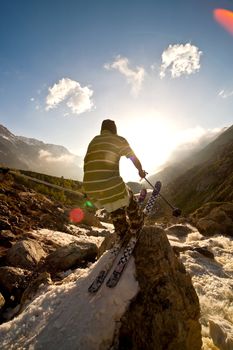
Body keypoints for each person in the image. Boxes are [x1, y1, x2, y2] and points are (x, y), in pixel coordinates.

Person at [83, 119, 146, 240]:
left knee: (112, 201)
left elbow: (87, 163)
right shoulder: (118, 140)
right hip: (110, 186)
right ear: (114, 130)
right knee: (125, 193)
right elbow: (132, 157)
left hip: (90, 188)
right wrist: (140, 171)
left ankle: (121, 231)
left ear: (102, 130)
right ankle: (137, 221)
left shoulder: (94, 141)